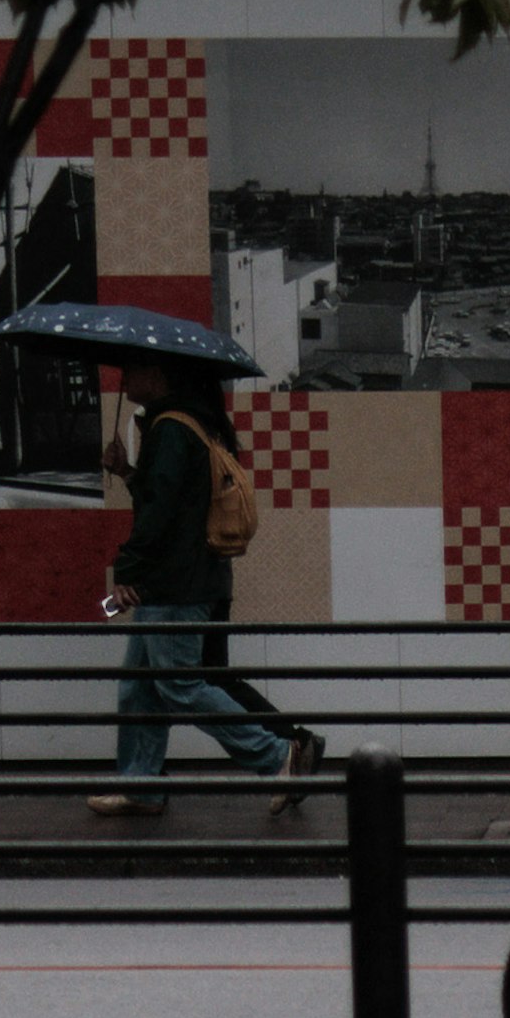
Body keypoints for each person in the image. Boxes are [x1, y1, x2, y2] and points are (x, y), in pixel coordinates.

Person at [94, 352, 320, 823]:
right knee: (139, 689)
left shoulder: (173, 429)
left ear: (157, 373)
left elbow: (159, 517)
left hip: (176, 584)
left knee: (179, 683)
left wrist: (128, 572)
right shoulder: (195, 424)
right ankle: (141, 787)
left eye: (131, 368)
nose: (124, 375)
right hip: (190, 578)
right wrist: (126, 472)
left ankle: (276, 756)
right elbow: (170, 501)